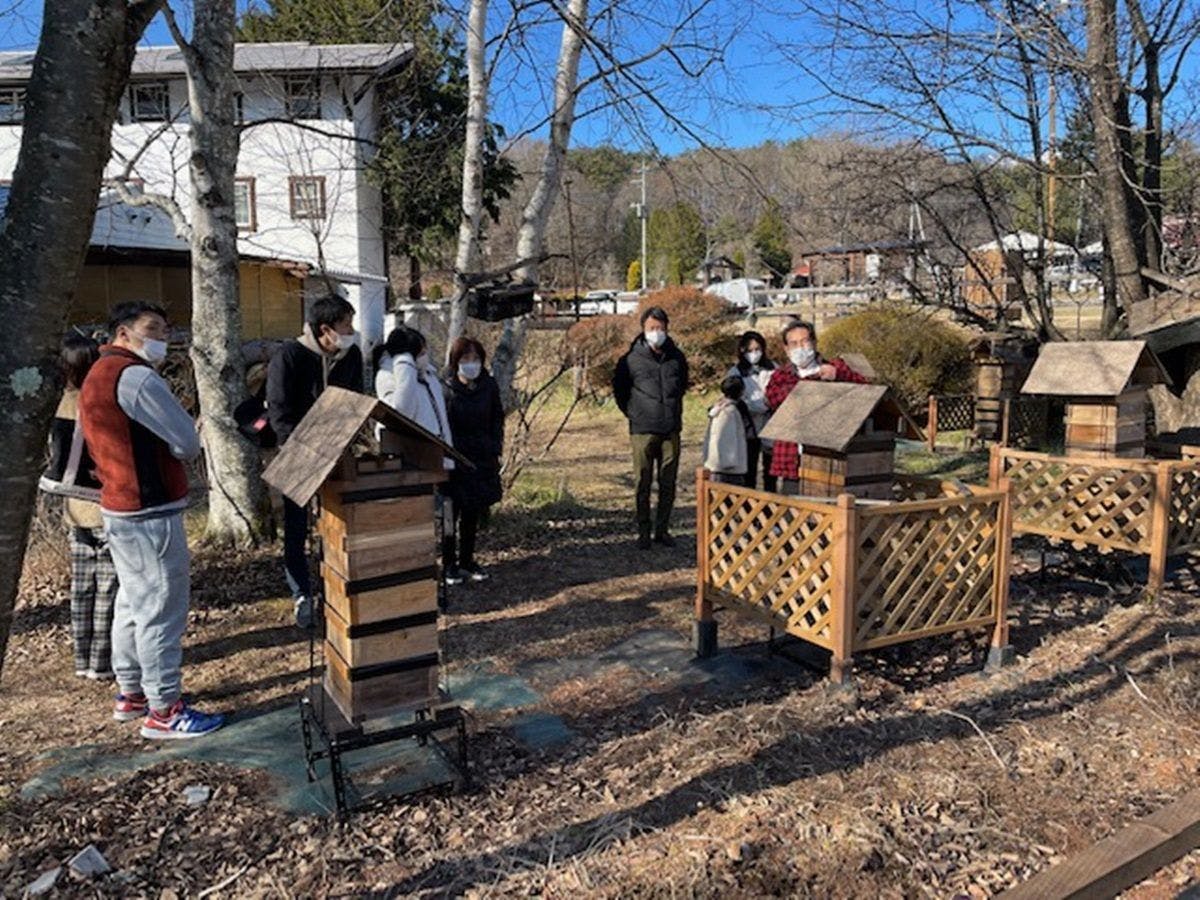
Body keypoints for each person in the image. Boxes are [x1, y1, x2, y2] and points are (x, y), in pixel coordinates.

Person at [79, 301, 223, 739]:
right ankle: (164, 708)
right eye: (152, 328)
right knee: (160, 608)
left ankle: (132, 691)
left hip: (119, 506)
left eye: (164, 326)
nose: (161, 336)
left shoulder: (97, 373)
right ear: (124, 332)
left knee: (132, 603)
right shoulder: (135, 375)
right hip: (149, 508)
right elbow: (184, 441)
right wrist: (188, 436)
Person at [266, 294, 364, 628]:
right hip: (298, 454)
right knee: (296, 528)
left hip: (338, 450)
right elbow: (279, 412)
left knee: (338, 520)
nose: (351, 331)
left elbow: (356, 402)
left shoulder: (351, 356)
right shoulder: (289, 356)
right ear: (325, 329)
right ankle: (301, 594)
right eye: (346, 325)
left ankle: (335, 583)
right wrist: (303, 449)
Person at [43, 334, 117, 681]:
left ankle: (82, 658)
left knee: (82, 587)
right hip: (104, 505)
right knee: (108, 586)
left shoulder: (56, 402)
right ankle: (103, 661)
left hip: (73, 507)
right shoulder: (97, 401)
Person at [612, 306, 689, 549]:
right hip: (642, 429)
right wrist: (634, 413)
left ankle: (662, 530)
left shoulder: (677, 357)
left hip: (670, 429)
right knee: (642, 482)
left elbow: (683, 385)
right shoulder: (630, 360)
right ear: (644, 330)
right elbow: (620, 391)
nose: (657, 332)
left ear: (667, 329)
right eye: (652, 328)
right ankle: (643, 532)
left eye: (661, 328)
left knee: (668, 483)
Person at [765, 319, 867, 495]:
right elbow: (775, 399)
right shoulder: (781, 376)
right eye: (794, 344)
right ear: (786, 349)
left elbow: (865, 386)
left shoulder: (834, 367)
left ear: (814, 342)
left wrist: (838, 374)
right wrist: (814, 380)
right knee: (792, 513)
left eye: (805, 341)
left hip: (828, 459)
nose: (800, 348)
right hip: (792, 458)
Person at [441, 337, 503, 584]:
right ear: (455, 362)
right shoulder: (446, 388)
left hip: (481, 458)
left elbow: (497, 417)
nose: (471, 364)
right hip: (454, 460)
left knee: (472, 513)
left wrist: (494, 446)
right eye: (465, 359)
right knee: (449, 515)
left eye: (475, 359)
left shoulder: (489, 386)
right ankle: (448, 563)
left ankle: (467, 559)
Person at [374, 325, 452, 446]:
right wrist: (404, 365)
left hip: (437, 454)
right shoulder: (387, 376)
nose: (425, 356)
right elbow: (402, 411)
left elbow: (442, 421)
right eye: (421, 353)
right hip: (410, 454)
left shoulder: (429, 376)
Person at [728, 330, 776, 492]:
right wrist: (756, 404)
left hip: (770, 423)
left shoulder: (772, 368)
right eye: (750, 350)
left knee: (771, 471)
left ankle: (770, 506)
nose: (754, 354)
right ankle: (750, 507)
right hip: (748, 425)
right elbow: (735, 397)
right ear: (742, 350)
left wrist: (769, 403)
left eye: (758, 349)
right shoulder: (736, 372)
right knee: (749, 469)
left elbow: (778, 391)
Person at [703, 375, 754, 486]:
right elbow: (727, 439)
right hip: (728, 468)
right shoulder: (729, 412)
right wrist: (729, 463)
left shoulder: (720, 408)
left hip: (718, 465)